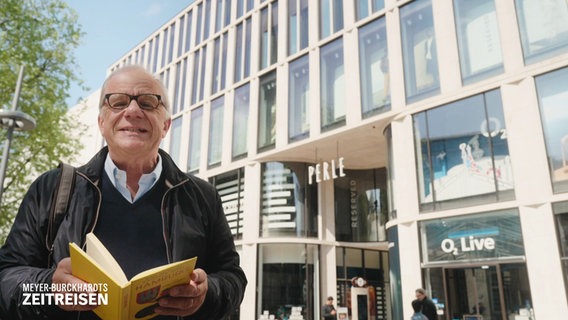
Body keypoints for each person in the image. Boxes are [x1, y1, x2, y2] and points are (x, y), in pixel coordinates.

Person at [0, 65, 247, 319]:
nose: (132, 111)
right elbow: (6, 280)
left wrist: (207, 294)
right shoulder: (51, 189)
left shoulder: (203, 197)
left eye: (148, 103)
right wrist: (49, 289)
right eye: (117, 102)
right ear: (102, 123)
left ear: (165, 125)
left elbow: (233, 279)